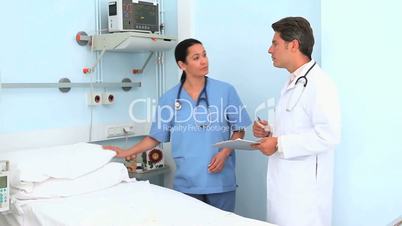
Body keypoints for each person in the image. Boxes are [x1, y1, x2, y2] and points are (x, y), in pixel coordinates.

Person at [104, 38, 251, 212]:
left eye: (204, 55)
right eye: (196, 58)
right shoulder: (169, 98)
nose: (204, 61)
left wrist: (224, 154)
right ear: (182, 65)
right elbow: (155, 137)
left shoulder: (225, 91)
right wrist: (126, 152)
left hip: (220, 181)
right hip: (187, 182)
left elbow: (239, 130)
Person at [252, 17, 341, 226]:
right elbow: (298, 125)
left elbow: (329, 136)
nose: (269, 50)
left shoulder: (320, 84)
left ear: (293, 45)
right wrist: (269, 131)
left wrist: (279, 143)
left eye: (275, 43)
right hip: (286, 189)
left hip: (304, 197)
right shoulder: (294, 81)